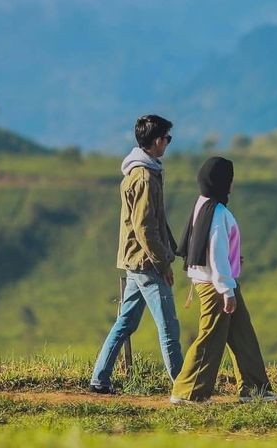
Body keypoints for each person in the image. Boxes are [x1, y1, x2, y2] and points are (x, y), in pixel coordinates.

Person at [170, 156, 277, 404]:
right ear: (222, 182)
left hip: (216, 281)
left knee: (242, 334)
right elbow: (216, 252)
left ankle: (255, 389)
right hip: (215, 285)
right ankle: (187, 391)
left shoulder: (203, 204)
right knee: (210, 337)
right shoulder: (217, 212)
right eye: (230, 179)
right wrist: (226, 288)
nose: (232, 184)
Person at [90, 114, 183, 393]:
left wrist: (175, 248)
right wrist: (163, 262)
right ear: (156, 141)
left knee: (126, 322)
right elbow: (145, 227)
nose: (168, 143)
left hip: (135, 261)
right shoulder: (144, 177)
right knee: (169, 327)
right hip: (147, 263)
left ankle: (99, 378)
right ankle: (183, 386)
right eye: (167, 138)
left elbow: (154, 221)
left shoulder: (141, 171)